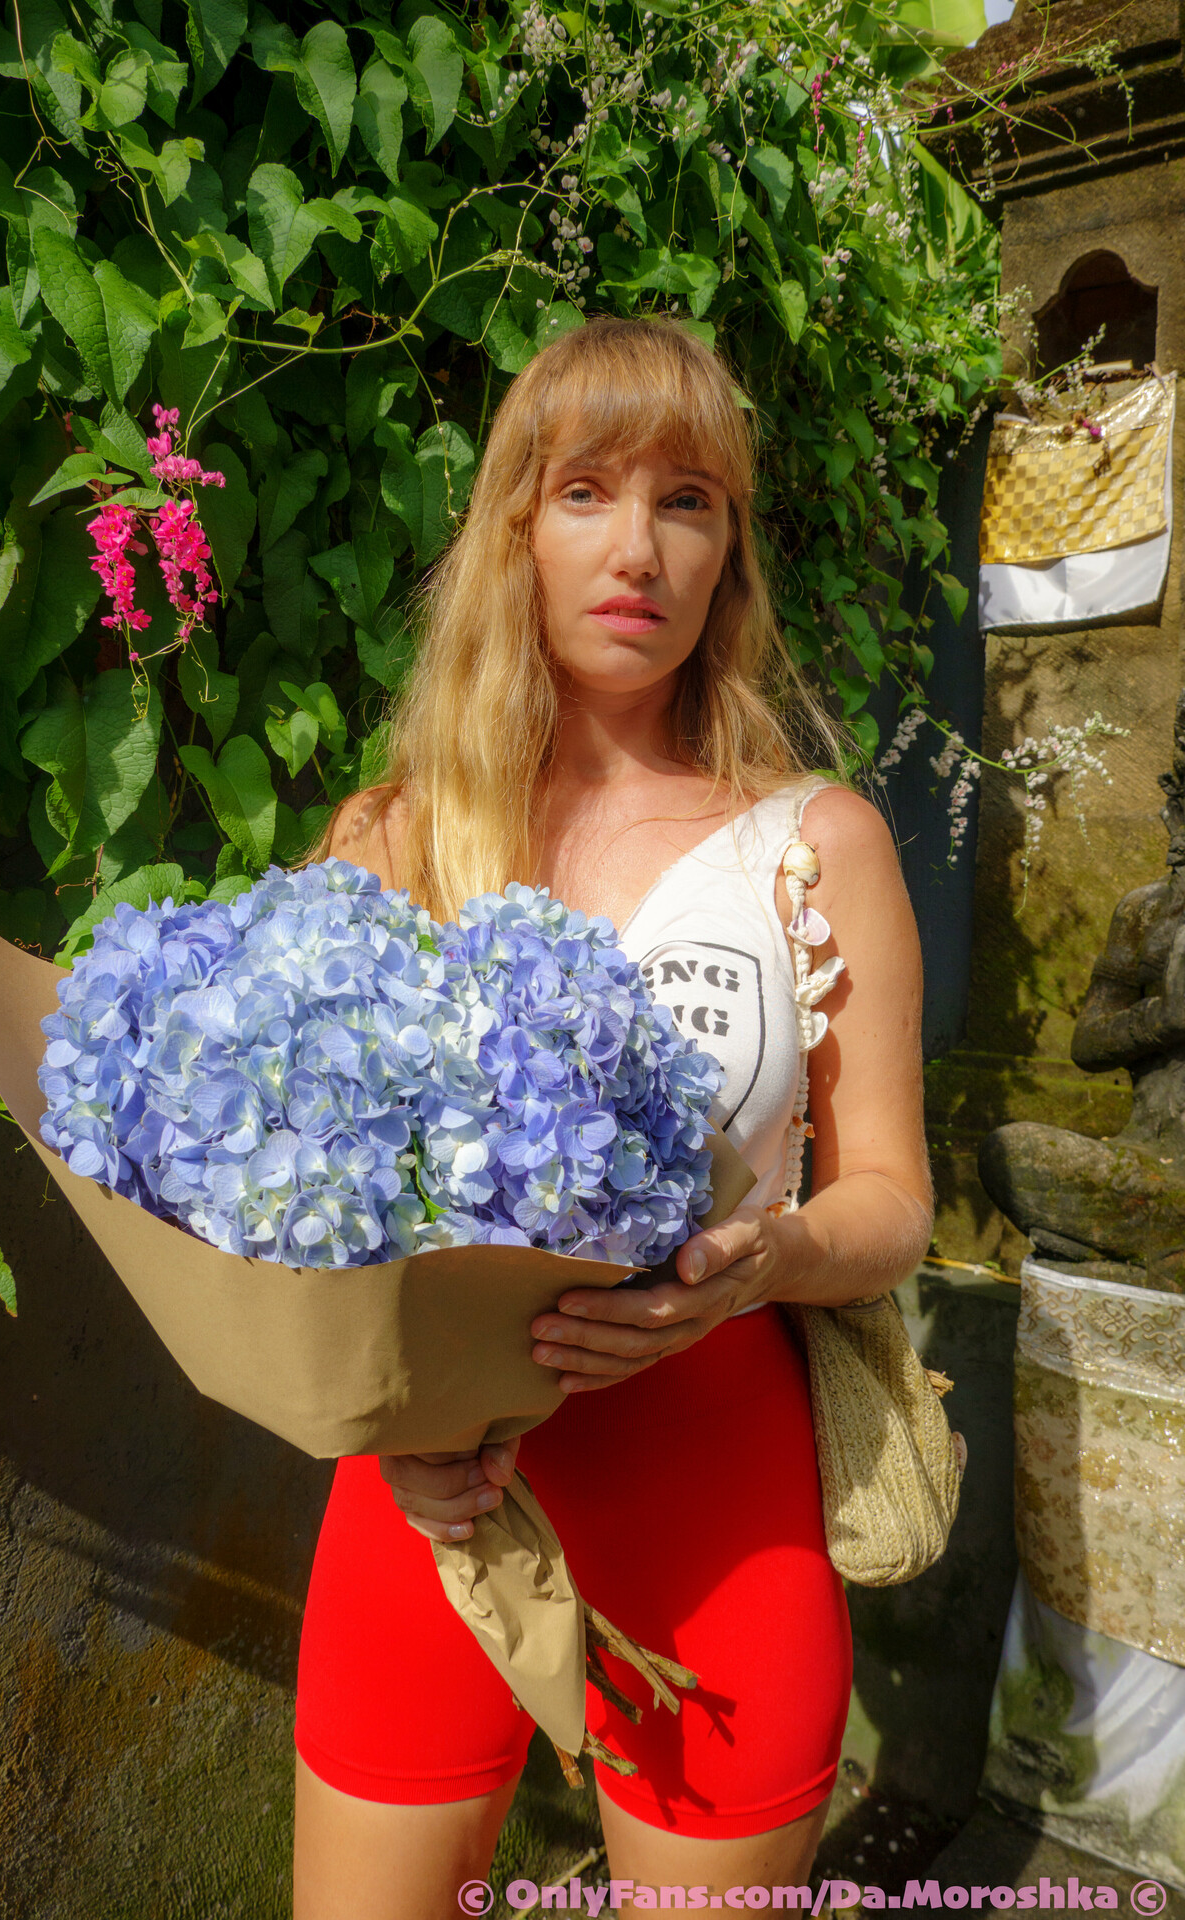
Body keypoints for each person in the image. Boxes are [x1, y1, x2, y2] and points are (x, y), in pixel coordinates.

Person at [291, 316, 932, 1918]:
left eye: (687, 501)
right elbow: (289, 1205)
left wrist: (773, 1255)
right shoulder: (391, 837)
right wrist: (373, 1413)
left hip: (720, 1516)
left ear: (730, 555)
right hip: (424, 1511)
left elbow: (893, 1199)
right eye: (586, 492)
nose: (637, 548)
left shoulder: (817, 847)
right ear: (516, 528)